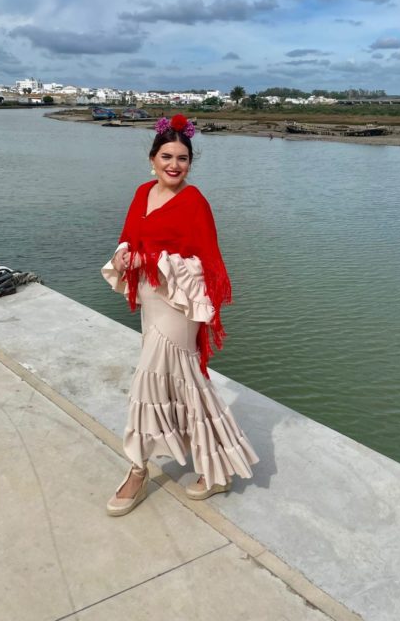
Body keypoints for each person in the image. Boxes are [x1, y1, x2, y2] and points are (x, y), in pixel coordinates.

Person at [101, 114, 259, 516]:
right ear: (152, 158)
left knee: (149, 382)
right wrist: (124, 250)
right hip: (151, 299)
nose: (175, 165)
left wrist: (147, 257)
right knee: (186, 382)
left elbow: (204, 263)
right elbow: (130, 233)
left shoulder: (194, 202)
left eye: (183, 158)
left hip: (180, 303)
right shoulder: (142, 192)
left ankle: (137, 471)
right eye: (167, 156)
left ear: (190, 162)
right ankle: (218, 469)